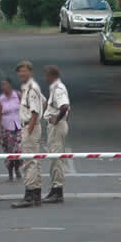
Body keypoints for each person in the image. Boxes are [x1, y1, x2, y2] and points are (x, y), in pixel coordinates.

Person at [11, 61, 45, 208]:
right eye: (19, 72)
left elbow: (35, 112)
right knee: (34, 162)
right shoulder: (29, 88)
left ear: (30, 72)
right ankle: (36, 194)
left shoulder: (31, 88)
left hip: (30, 127)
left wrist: (29, 131)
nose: (21, 74)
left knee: (29, 162)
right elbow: (43, 101)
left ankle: (29, 195)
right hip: (31, 127)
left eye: (24, 71)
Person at [41, 65, 71, 204]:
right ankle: (54, 188)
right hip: (57, 126)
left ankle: (58, 191)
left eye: (46, 75)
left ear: (51, 75)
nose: (44, 78)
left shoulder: (58, 89)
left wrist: (57, 119)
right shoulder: (55, 88)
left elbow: (64, 106)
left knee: (56, 158)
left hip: (56, 127)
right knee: (53, 158)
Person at [0, 78, 22, 181]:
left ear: (10, 85)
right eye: (2, 85)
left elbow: (25, 109)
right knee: (9, 151)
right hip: (6, 128)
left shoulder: (18, 95)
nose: (4, 87)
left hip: (18, 126)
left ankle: (17, 168)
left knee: (18, 150)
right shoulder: (1, 99)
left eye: (5, 84)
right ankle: (10, 171)